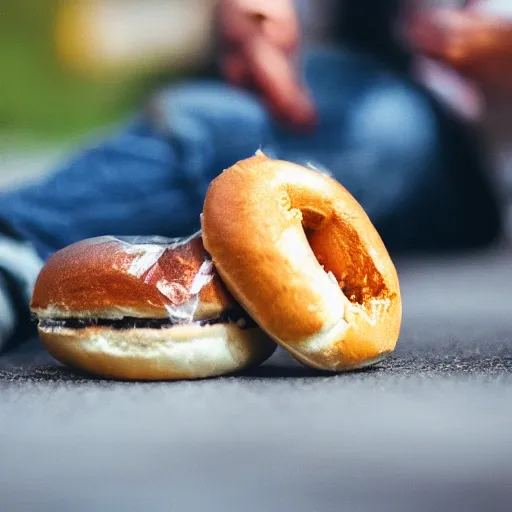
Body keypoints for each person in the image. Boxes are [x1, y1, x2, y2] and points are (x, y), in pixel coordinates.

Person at [0, 0, 508, 352]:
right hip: (336, 82)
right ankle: (23, 250)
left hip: (465, 148)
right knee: (249, 127)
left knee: (380, 128)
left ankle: (19, 238)